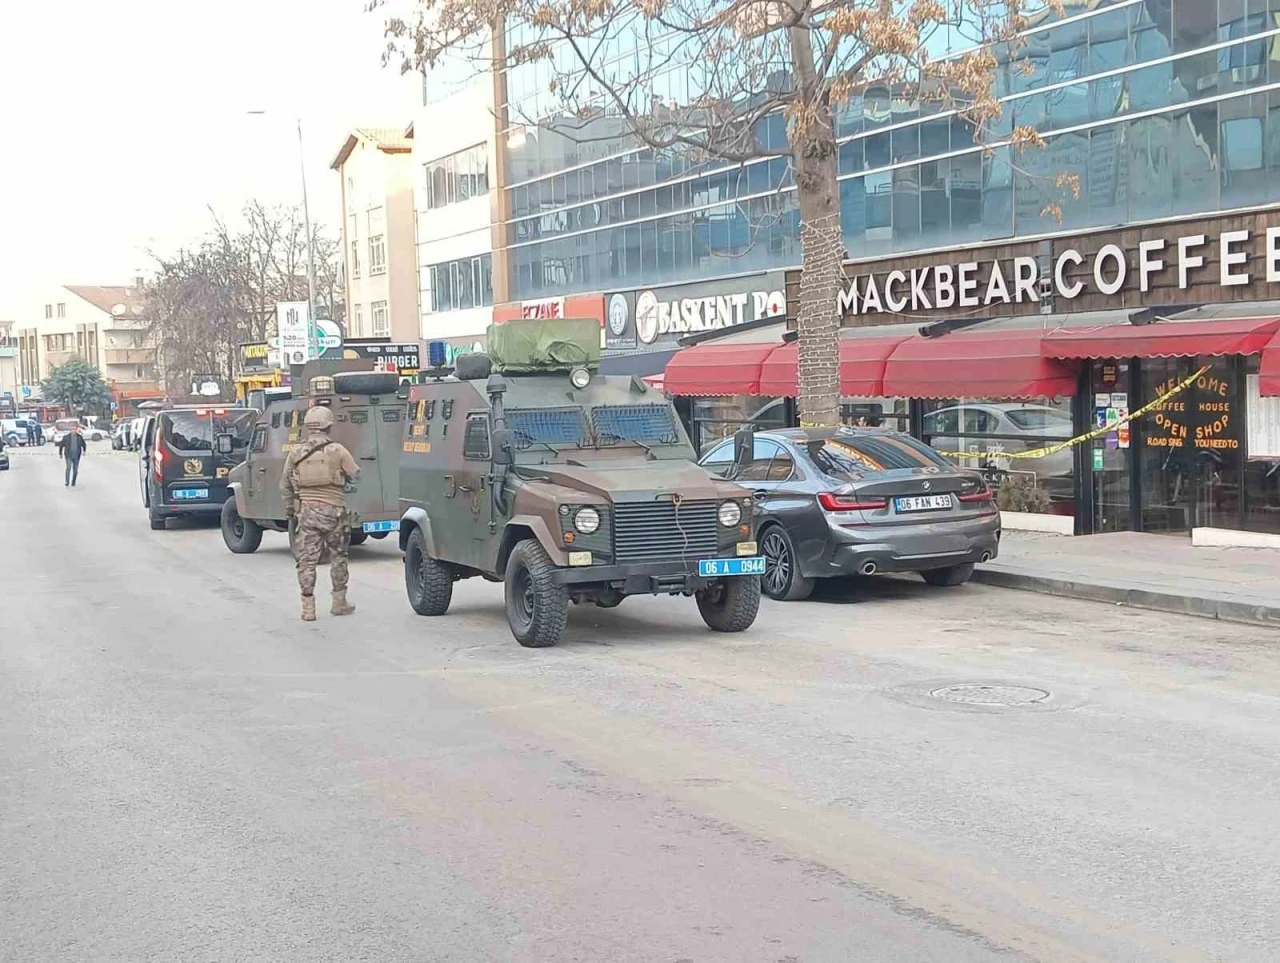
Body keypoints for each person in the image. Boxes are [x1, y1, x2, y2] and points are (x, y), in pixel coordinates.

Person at [281, 406, 360, 622]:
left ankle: (308, 608)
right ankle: (339, 602)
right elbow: (355, 474)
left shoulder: (296, 452)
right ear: (328, 426)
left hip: (307, 512)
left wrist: (290, 510)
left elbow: (285, 484)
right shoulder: (338, 450)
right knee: (339, 557)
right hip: (335, 512)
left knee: (307, 560)